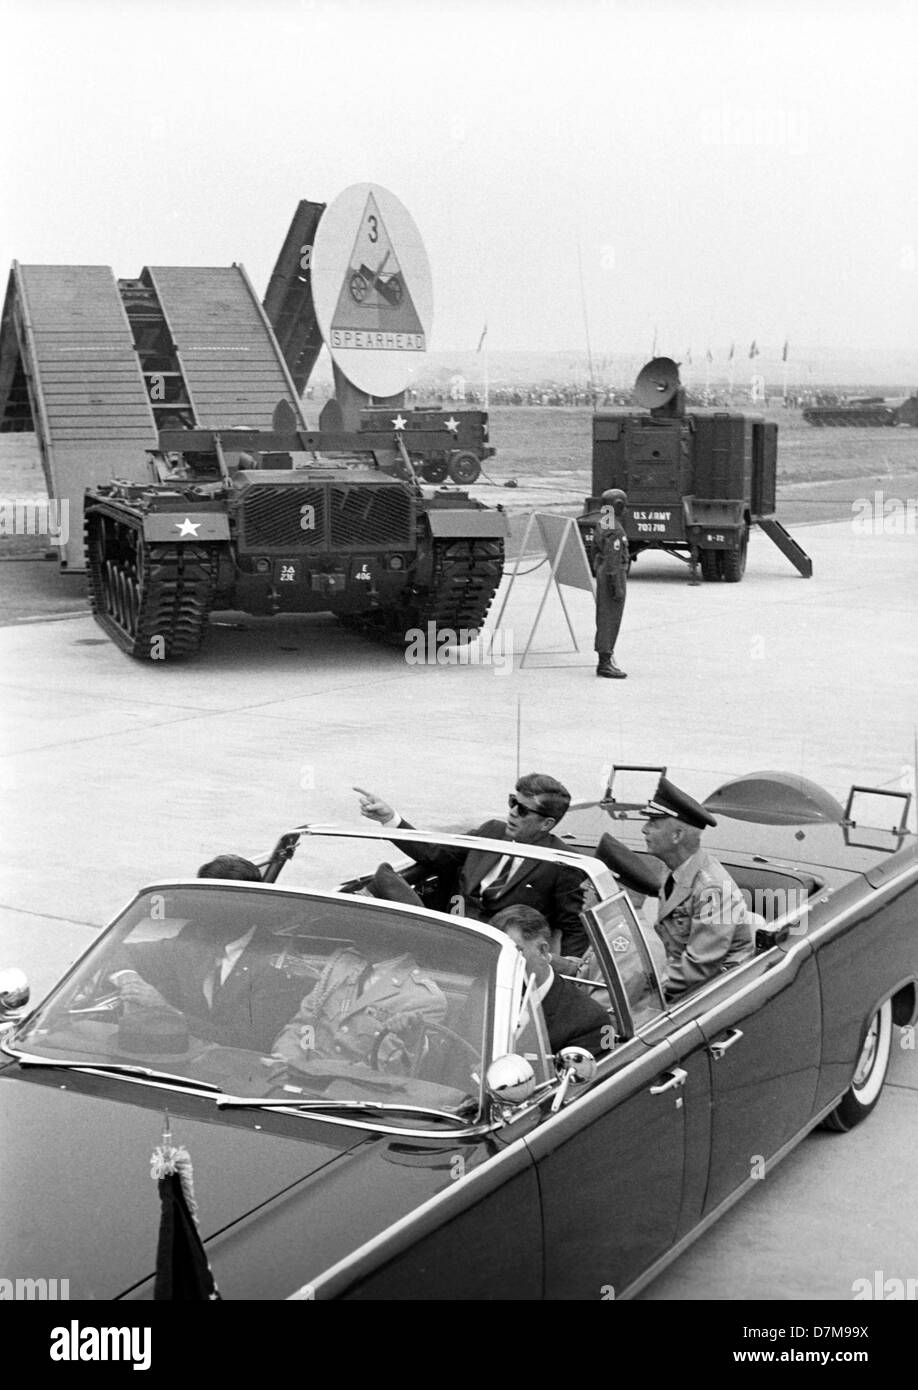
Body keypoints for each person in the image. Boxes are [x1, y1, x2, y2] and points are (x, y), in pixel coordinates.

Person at [354, 774, 591, 961]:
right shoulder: (491, 832)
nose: (512, 812)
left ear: (546, 823)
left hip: (499, 953)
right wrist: (390, 819)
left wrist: (568, 977)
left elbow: (573, 927)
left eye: (523, 809)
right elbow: (437, 854)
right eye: (512, 802)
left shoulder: (562, 863)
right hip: (449, 933)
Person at [109, 855, 306, 1053]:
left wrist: (165, 1010)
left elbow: (248, 1041)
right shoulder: (194, 937)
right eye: (205, 904)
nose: (206, 916)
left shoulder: (280, 964)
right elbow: (117, 951)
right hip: (175, 1055)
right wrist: (129, 979)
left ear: (249, 909)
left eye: (223, 908)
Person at [609, 778, 759, 999]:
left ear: (676, 836)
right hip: (676, 974)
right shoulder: (671, 865)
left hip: (711, 990)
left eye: (653, 823)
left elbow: (700, 967)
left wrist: (642, 986)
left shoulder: (711, 890)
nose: (644, 829)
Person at [269, 945, 447, 1076]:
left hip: (351, 1100)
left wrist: (309, 1073)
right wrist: (286, 1062)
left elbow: (387, 1072)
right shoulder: (343, 962)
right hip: (294, 1079)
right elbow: (303, 1026)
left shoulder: (423, 997)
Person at [492, 906, 608, 1059]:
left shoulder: (588, 1020)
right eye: (497, 951)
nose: (503, 961)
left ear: (542, 950)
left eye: (514, 952)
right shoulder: (487, 991)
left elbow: (574, 1080)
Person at [592, 488, 629, 679]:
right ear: (618, 506)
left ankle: (606, 658)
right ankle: (605, 662)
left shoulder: (604, 522)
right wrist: (617, 586)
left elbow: (595, 550)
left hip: (603, 571)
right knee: (609, 618)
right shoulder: (614, 528)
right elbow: (614, 559)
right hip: (612, 575)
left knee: (605, 617)